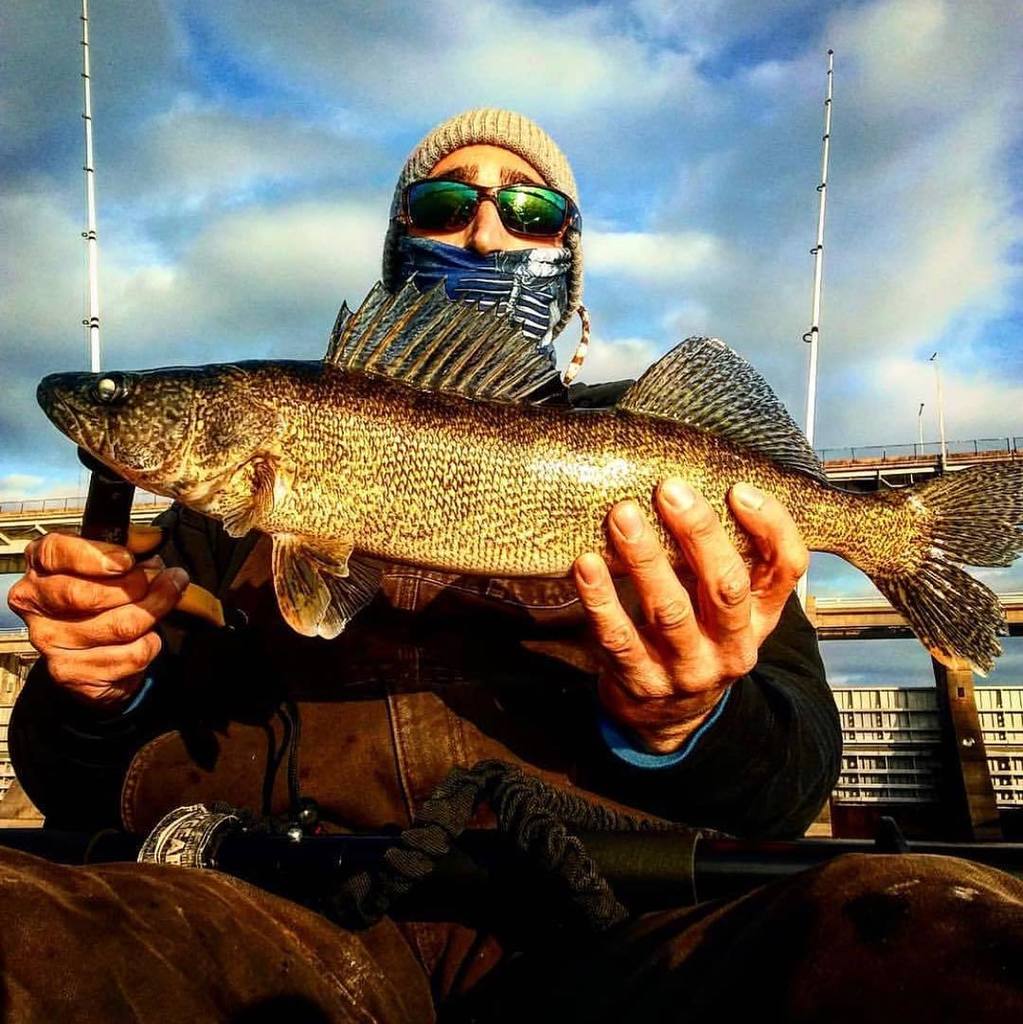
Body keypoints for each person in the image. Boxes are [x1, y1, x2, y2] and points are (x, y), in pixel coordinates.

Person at [5, 109, 1021, 1022]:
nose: (485, 232)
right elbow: (82, 795)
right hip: (299, 933)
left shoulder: (673, 468)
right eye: (445, 203)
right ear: (400, 238)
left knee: (941, 934)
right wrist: (97, 694)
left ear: (569, 266)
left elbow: (797, 771)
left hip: (613, 931)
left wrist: (686, 723)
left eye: (529, 211)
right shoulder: (207, 533)